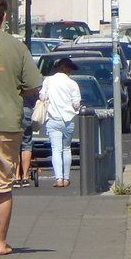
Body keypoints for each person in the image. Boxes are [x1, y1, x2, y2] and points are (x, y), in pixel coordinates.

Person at [0, 0, 43, 255]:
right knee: (2, 185)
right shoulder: (17, 47)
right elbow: (33, 85)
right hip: (6, 123)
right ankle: (0, 243)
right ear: (3, 16)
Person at [40, 58, 82, 188]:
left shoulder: (48, 81)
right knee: (66, 149)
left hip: (53, 119)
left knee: (56, 150)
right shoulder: (72, 84)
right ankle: (66, 178)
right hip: (68, 120)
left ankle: (58, 178)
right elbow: (76, 104)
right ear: (68, 70)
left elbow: (42, 97)